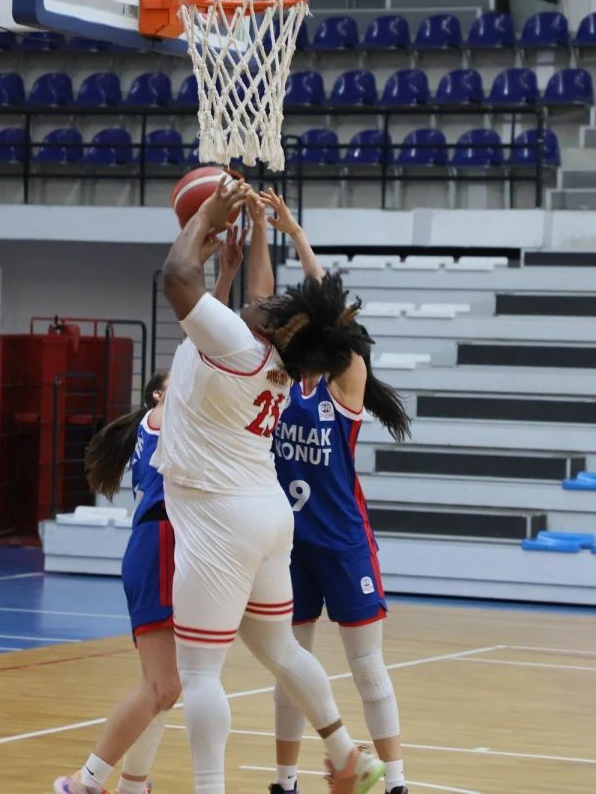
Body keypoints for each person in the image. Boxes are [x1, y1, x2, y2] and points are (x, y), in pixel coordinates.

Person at [156, 177, 386, 794]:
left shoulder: (238, 343)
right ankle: (344, 751)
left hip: (218, 517)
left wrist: (206, 214)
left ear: (280, 327)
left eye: (283, 307)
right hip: (266, 514)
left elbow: (177, 278)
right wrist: (252, 237)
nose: (271, 300)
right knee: (280, 649)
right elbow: (247, 305)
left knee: (201, 672)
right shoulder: (279, 360)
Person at [53, 229, 252, 794]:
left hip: (164, 546)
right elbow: (197, 344)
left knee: (170, 685)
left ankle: (131, 783)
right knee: (162, 687)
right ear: (163, 395)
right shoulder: (168, 414)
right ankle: (85, 783)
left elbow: (201, 344)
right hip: (162, 543)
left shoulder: (162, 420)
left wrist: (223, 280)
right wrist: (220, 274)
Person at [257, 190, 413, 794]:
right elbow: (263, 306)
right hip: (288, 544)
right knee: (291, 668)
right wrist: (260, 240)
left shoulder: (345, 386)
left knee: (366, 666)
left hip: (344, 541)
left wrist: (299, 238)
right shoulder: (276, 381)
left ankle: (395, 781)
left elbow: (337, 318)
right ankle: (284, 780)